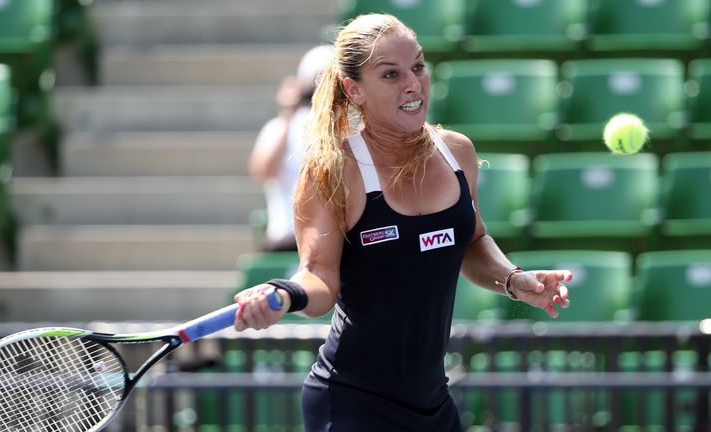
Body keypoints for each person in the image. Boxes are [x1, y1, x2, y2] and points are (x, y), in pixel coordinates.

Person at [233, 13, 572, 431]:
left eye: (418, 66)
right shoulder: (334, 169)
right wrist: (284, 294)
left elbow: (470, 241)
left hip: (433, 404)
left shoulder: (457, 153)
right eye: (390, 74)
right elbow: (318, 278)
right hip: (352, 403)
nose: (413, 84)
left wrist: (514, 279)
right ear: (353, 90)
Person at [248, 44, 335, 252]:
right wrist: (287, 114)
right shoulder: (279, 127)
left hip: (337, 240)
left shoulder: (349, 126)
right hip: (288, 239)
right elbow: (264, 171)